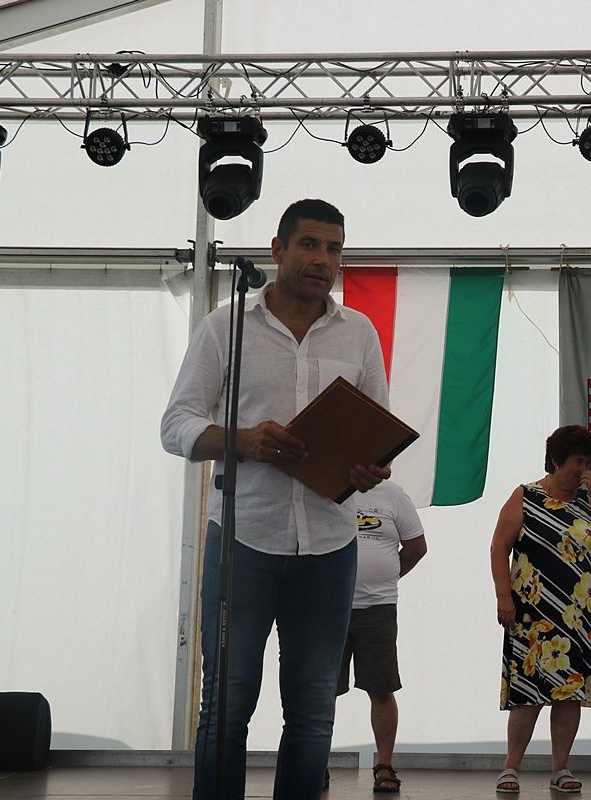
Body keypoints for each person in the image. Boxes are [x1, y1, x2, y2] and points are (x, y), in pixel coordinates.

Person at [161, 198, 390, 800]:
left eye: (334, 249)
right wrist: (244, 441)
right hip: (243, 540)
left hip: (331, 544)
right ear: (277, 249)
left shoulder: (360, 333)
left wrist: (371, 466)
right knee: (227, 702)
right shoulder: (226, 326)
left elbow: (377, 431)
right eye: (310, 245)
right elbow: (176, 426)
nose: (323, 260)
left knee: (314, 708)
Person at [490, 425, 591, 794]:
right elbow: (499, 547)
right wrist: (503, 596)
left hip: (581, 616)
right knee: (528, 693)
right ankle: (510, 767)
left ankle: (560, 768)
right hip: (533, 614)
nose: (583, 470)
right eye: (578, 462)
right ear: (556, 461)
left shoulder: (587, 500)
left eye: (587, 463)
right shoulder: (526, 496)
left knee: (570, 692)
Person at [333, 479, 427, 793]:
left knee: (382, 688)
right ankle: (315, 763)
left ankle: (384, 765)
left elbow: (417, 546)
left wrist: (386, 575)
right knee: (321, 690)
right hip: (328, 607)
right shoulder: (329, 486)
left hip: (378, 607)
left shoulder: (393, 495)